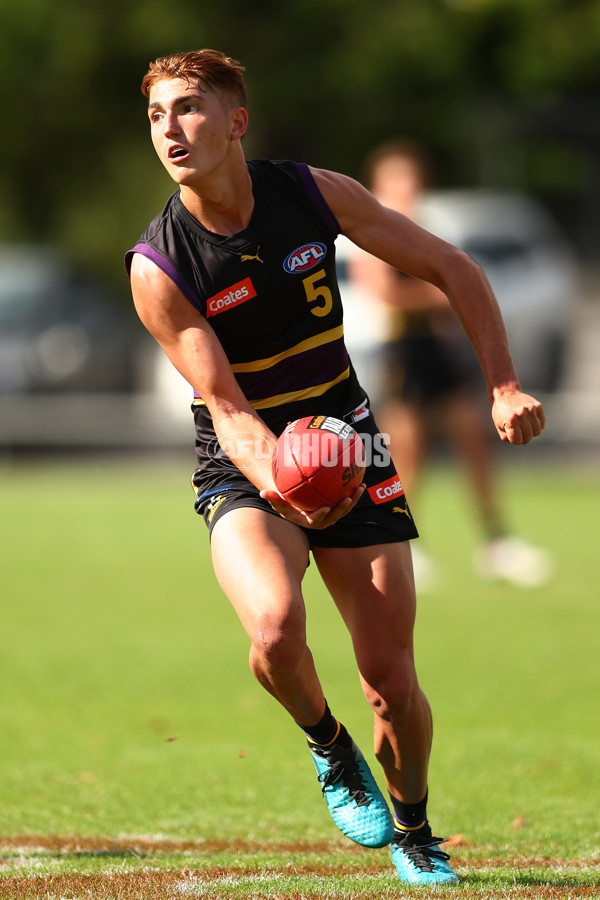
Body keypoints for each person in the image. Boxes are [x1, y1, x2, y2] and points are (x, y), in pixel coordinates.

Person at [125, 50, 545, 887]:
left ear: (236, 121)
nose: (171, 128)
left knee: (391, 680)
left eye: (190, 109)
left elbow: (453, 267)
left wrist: (502, 383)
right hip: (246, 462)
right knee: (275, 630)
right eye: (156, 116)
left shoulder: (314, 194)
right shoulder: (159, 267)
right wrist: (285, 484)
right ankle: (327, 743)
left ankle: (416, 829)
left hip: (349, 439)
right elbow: (231, 411)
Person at [349, 139, 553, 589]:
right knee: (408, 451)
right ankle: (404, 547)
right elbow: (387, 293)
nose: (409, 188)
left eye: (414, 180)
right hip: (403, 349)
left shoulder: (424, 230)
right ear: (379, 186)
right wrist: (445, 294)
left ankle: (496, 540)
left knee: (473, 436)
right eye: (398, 180)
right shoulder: (371, 234)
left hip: (439, 348)